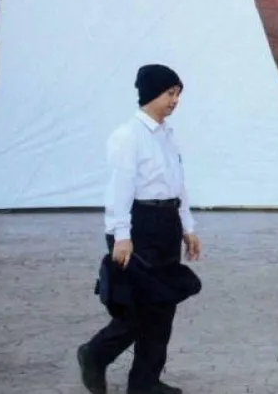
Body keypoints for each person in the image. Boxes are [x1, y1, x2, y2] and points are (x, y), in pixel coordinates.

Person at [78, 64, 203, 394]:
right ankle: (95, 354)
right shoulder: (128, 136)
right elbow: (120, 188)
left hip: (165, 225)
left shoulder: (167, 135)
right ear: (151, 93)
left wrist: (187, 228)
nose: (175, 100)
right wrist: (122, 235)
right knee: (138, 308)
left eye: (178, 94)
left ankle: (145, 382)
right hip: (138, 226)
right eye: (169, 93)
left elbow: (178, 185)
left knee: (163, 308)